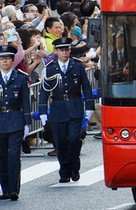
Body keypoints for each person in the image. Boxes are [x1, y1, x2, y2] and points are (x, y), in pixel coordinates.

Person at [37, 37, 94, 183]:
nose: (65, 52)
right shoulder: (50, 68)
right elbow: (44, 92)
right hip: (58, 109)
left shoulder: (77, 66)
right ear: (56, 51)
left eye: (67, 49)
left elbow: (86, 87)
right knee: (61, 143)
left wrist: (89, 108)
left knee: (74, 139)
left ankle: (75, 167)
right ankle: (64, 171)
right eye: (61, 50)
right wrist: (43, 112)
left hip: (75, 107)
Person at [0, 44, 30, 200]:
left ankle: (14, 190)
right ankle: (5, 189)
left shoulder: (20, 77)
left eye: (7, 59)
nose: (4, 62)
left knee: (13, 156)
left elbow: (25, 102)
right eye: (2, 59)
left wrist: (27, 123)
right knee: (2, 156)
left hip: (15, 120)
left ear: (12, 60)